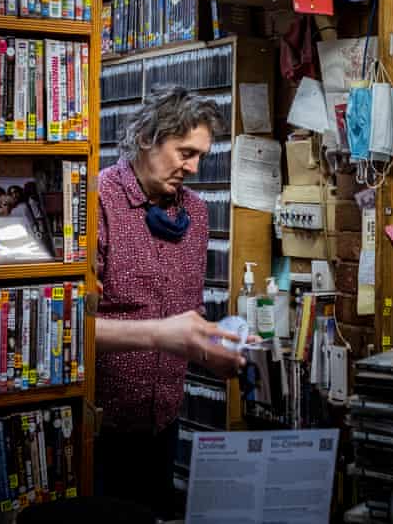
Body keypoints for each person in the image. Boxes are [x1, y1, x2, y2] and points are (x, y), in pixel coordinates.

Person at [94, 86, 248, 519]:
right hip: (100, 429)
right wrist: (163, 335)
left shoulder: (195, 213)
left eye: (200, 155)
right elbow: (70, 329)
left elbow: (187, 314)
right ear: (148, 138)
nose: (194, 167)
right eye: (185, 152)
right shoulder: (98, 200)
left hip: (164, 424)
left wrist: (211, 349)